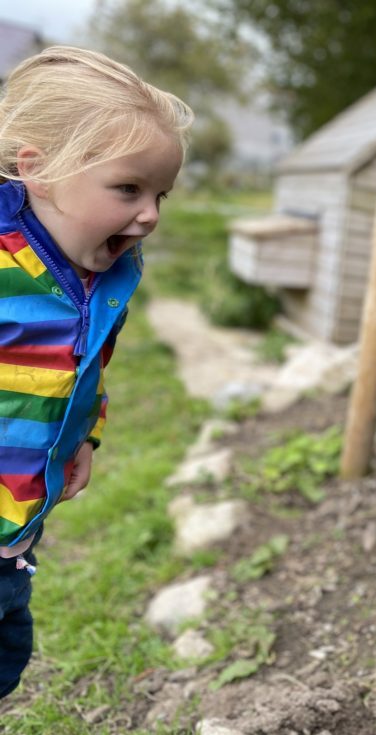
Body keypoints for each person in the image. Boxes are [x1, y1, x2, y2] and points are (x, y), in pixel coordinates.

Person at [0, 46, 192, 698]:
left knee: (8, 652)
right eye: (128, 189)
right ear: (41, 171)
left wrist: (84, 436)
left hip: (17, 516)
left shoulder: (98, 277)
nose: (151, 215)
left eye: (160, 194)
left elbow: (84, 367)